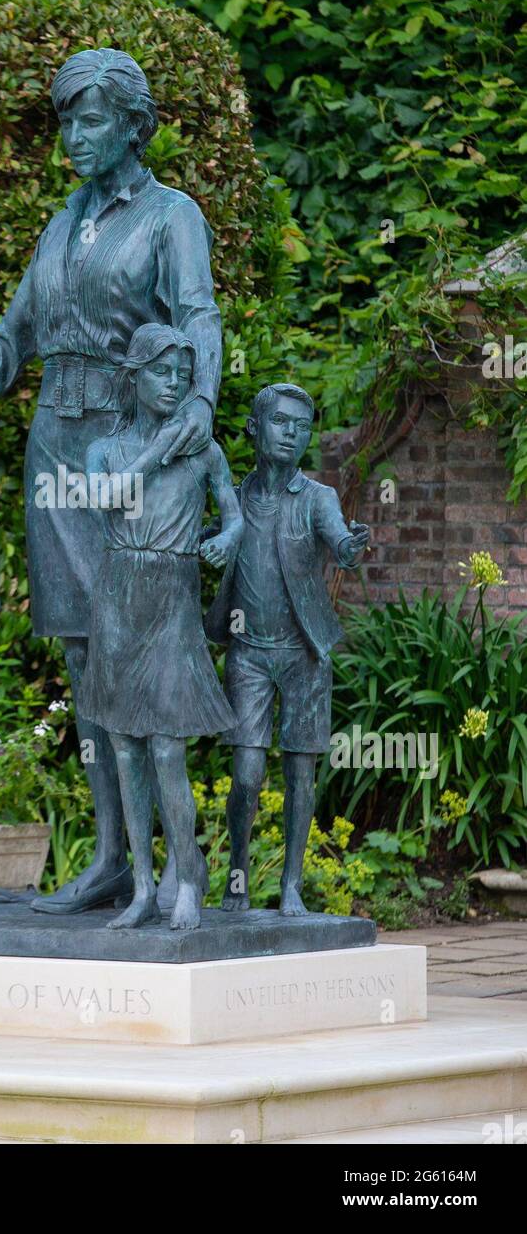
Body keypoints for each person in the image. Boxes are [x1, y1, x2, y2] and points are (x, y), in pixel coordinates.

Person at [0, 48, 224, 915]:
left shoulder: (172, 216)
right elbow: (13, 331)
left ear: (133, 125)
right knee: (79, 651)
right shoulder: (61, 224)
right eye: (65, 120)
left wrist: (201, 400)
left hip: (124, 444)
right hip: (54, 445)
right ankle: (110, 859)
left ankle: (173, 871)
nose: (72, 136)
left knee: (133, 650)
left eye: (89, 119)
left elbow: (198, 313)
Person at [79, 325, 242, 931]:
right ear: (135, 378)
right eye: (161, 373)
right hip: (119, 595)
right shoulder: (104, 449)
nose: (174, 384)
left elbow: (234, 515)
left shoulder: (205, 449)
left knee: (169, 749)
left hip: (171, 593)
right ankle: (143, 889)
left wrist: (225, 538)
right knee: (124, 747)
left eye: (182, 373)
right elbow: (105, 501)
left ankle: (187, 878)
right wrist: (158, 449)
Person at [204, 383, 369, 915]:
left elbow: (339, 540)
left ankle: (292, 884)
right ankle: (237, 875)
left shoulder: (319, 498)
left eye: (302, 426)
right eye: (281, 421)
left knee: (301, 771)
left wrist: (349, 547)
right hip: (248, 651)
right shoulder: (235, 496)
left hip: (304, 653)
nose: (291, 433)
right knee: (247, 775)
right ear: (255, 427)